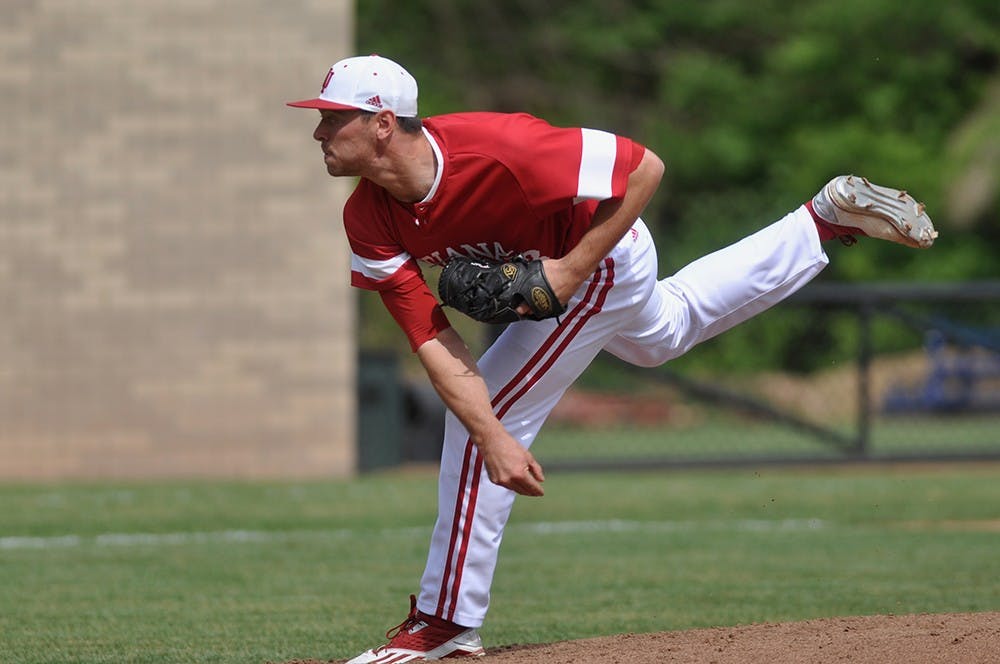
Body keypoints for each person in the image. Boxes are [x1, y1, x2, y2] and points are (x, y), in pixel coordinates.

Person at [287, 54, 936, 662]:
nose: (319, 131)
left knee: (492, 413)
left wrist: (568, 274)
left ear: (379, 125)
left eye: (330, 118)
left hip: (601, 254)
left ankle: (446, 621)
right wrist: (492, 431)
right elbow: (432, 339)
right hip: (589, 270)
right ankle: (820, 221)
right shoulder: (367, 219)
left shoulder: (500, 149)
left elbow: (645, 167)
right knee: (664, 334)